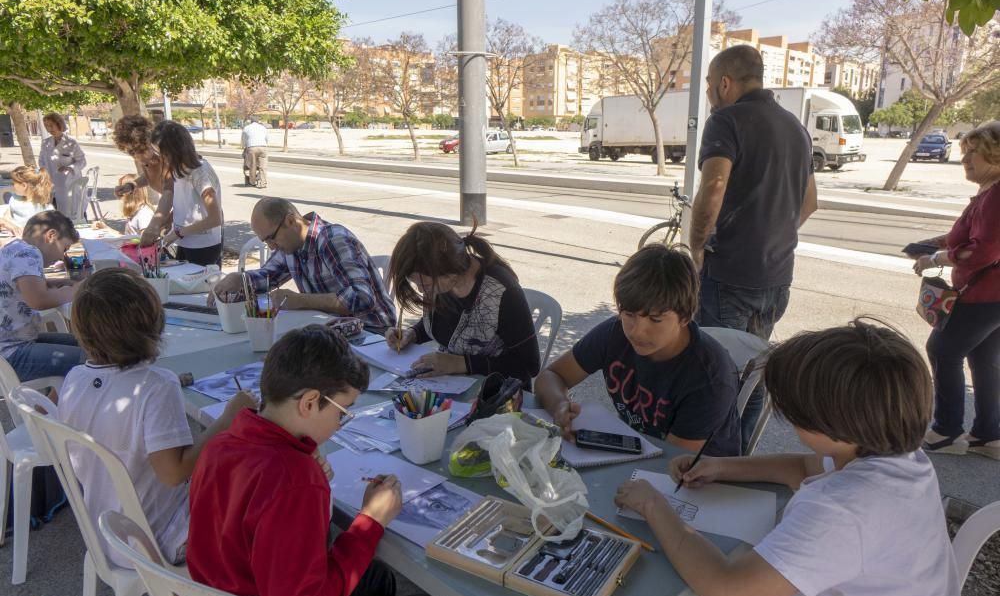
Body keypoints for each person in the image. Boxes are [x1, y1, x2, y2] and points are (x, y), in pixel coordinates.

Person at [615, 320, 965, 596]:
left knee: (702, 594)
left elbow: (726, 594)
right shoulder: (895, 454)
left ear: (829, 424)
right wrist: (720, 466)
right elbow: (802, 468)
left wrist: (653, 504)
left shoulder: (841, 509)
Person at [186, 324, 457, 596]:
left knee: (376, 578)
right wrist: (370, 521)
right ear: (310, 402)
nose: (340, 424)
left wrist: (303, 453)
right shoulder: (295, 481)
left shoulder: (222, 445)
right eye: (343, 412)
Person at [58, 268, 253, 566]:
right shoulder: (157, 385)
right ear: (152, 324)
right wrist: (227, 419)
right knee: (257, 480)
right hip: (156, 540)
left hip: (105, 531)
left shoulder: (74, 378)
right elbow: (175, 473)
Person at [535, 245, 740, 455]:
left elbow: (671, 461)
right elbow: (551, 376)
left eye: (655, 319)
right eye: (629, 314)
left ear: (685, 318)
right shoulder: (614, 333)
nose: (637, 332)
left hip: (699, 475)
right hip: (639, 451)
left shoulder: (709, 377)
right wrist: (559, 405)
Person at [690, 44, 817, 340]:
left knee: (716, 366)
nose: (708, 93)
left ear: (724, 83)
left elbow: (713, 189)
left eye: (709, 84)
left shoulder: (725, 121)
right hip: (778, 277)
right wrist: (770, 235)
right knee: (752, 367)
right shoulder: (796, 127)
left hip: (729, 277)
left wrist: (696, 247)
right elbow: (810, 203)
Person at [913, 122, 1000, 459]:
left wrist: (937, 258)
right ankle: (988, 434)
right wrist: (927, 247)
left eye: (971, 153)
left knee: (942, 350)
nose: (964, 160)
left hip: (983, 294)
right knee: (983, 358)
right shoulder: (989, 193)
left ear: (994, 154)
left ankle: (947, 431)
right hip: (993, 296)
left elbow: (984, 252)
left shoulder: (994, 198)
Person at [385, 221, 539, 387]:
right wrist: (411, 334)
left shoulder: (502, 292)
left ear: (447, 269)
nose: (422, 291)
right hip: (452, 386)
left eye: (426, 285)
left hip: (499, 396)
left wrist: (461, 363)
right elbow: (445, 324)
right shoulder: (445, 284)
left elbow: (529, 365)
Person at [210, 197, 395, 331]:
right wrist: (239, 280)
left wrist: (300, 301)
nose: (272, 246)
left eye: (271, 239)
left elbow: (361, 298)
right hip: (331, 328)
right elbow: (268, 276)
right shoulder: (291, 245)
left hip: (372, 331)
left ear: (291, 221)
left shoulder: (333, 240)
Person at [0, 210, 85, 381]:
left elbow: (21, 286)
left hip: (14, 342)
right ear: (51, 236)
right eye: (65, 248)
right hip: (11, 353)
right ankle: (51, 407)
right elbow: (39, 300)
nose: (63, 256)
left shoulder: (13, 247)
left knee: (90, 345)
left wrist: (54, 283)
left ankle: (53, 404)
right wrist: (77, 290)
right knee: (94, 360)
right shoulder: (29, 253)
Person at [137, 120, 225, 266]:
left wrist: (178, 233)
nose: (161, 158)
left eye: (163, 154)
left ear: (176, 150)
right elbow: (185, 203)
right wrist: (168, 221)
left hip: (203, 246)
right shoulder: (178, 169)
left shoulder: (200, 172)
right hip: (185, 241)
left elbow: (215, 219)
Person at [38, 112, 87, 213]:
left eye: (51, 125)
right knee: (51, 213)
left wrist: (70, 168)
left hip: (68, 184)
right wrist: (42, 173)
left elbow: (82, 161)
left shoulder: (71, 143)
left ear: (59, 124)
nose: (49, 129)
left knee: (69, 213)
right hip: (50, 184)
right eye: (46, 126)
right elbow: (41, 160)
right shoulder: (45, 143)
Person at [5, 166, 55, 230]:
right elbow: (7, 216)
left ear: (24, 186)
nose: (12, 186)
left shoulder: (45, 208)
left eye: (13, 183)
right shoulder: (15, 199)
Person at [241, 116, 268, 188]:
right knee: (263, 167)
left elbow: (243, 140)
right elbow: (266, 138)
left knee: (252, 165)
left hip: (251, 147)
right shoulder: (263, 127)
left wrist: (244, 147)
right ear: (258, 121)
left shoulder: (247, 128)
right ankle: (263, 183)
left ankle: (252, 182)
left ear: (251, 121)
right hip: (263, 147)